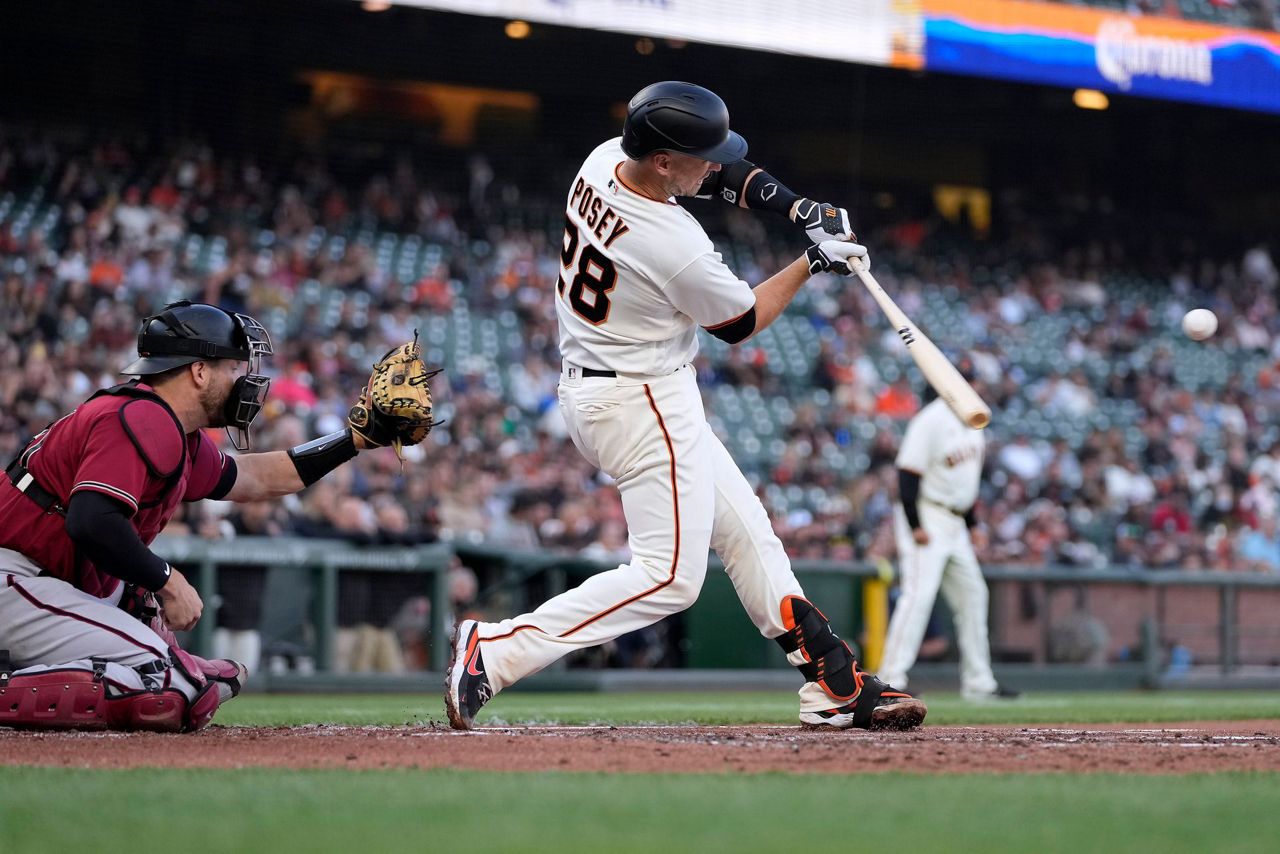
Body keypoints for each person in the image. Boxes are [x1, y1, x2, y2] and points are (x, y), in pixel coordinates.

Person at [446, 81, 925, 731]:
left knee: (746, 529)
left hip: (614, 383)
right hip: (638, 398)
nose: (715, 165)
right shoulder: (672, 242)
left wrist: (797, 207)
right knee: (670, 578)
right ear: (664, 161)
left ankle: (832, 680)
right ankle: (498, 650)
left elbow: (722, 176)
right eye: (699, 155)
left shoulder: (606, 158)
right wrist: (813, 260)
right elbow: (741, 323)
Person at [0, 301, 389, 732]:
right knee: (176, 684)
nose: (244, 381)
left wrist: (355, 439)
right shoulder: (141, 416)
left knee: (191, 665)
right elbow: (91, 521)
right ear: (199, 371)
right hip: (16, 578)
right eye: (233, 369)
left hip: (41, 581)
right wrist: (167, 578)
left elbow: (255, 479)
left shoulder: (170, 427)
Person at [877, 381, 1017, 701]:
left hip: (955, 520)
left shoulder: (974, 418)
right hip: (928, 514)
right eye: (970, 381)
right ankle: (889, 679)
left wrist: (972, 523)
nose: (978, 387)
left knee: (974, 594)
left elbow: (963, 481)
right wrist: (914, 524)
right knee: (918, 596)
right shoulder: (931, 418)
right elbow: (907, 473)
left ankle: (979, 683)